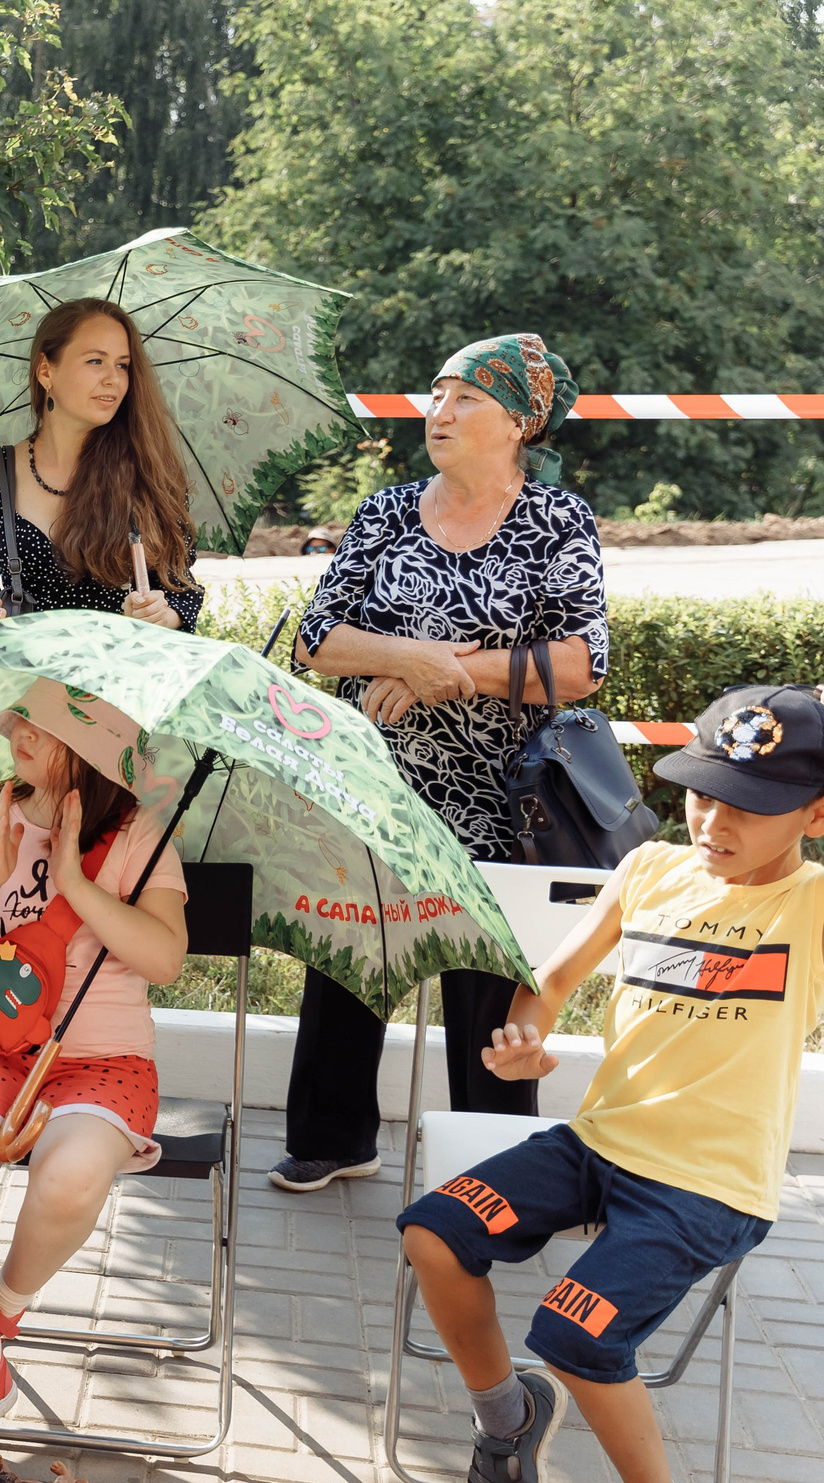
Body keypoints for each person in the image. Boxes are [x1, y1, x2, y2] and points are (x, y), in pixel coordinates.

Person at [398, 685, 824, 1483]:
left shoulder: (813, 905)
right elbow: (549, 981)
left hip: (708, 1183)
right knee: (433, 1229)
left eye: (747, 806)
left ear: (815, 812)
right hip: (597, 1146)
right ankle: (507, 1419)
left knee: (577, 1329)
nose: (713, 820)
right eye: (699, 793)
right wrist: (524, 1038)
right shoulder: (649, 869)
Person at [278, 332, 608, 1193]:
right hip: (376, 789)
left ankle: (494, 1172)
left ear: (519, 423)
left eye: (467, 397)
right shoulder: (386, 511)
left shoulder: (557, 522)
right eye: (437, 392)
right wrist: (402, 655)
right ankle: (332, 1135)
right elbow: (319, 638)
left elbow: (579, 663)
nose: (441, 411)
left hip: (502, 804)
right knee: (347, 964)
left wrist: (442, 671)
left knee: (487, 998)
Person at [0, 690, 189, 1461]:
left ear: (91, 747)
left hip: (103, 1061)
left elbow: (165, 958)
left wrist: (79, 884)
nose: (17, 731)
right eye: (19, 716)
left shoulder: (140, 837)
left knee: (68, 1177)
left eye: (42, 724)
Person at [0, 298, 202, 635]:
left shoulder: (147, 470)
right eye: (96, 361)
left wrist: (159, 615)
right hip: (26, 674)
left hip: (114, 674)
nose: (114, 379)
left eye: (123, 365)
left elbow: (182, 591)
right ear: (46, 370)